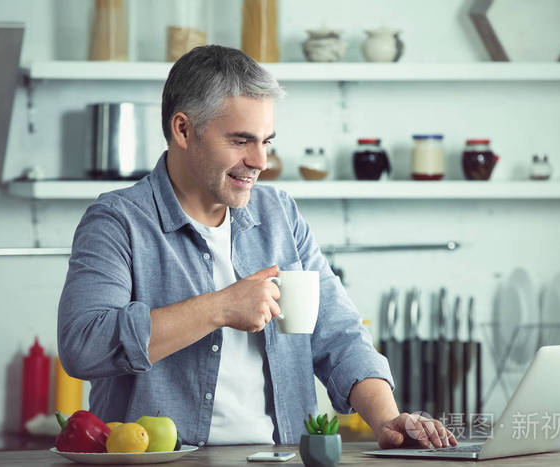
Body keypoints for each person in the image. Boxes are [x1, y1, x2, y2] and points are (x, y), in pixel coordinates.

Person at [58, 44, 457, 450]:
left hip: (285, 456)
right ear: (183, 129)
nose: (260, 160)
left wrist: (388, 419)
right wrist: (221, 307)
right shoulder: (117, 220)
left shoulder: (280, 214)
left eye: (267, 141)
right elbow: (84, 345)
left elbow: (338, 333)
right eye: (241, 141)